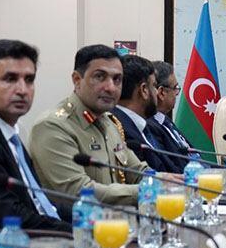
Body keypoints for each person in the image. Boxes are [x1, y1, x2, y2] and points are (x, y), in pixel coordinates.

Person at [29, 44, 149, 206]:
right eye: (100, 77)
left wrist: (170, 182)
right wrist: (151, 191)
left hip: (119, 219)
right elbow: (79, 190)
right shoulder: (52, 126)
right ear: (77, 80)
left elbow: (137, 172)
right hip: (79, 221)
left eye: (117, 79)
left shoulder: (109, 122)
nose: (110, 87)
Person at [0, 39, 70, 231]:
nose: (22, 90)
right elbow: (8, 213)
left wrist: (90, 215)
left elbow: (38, 201)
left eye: (29, 80)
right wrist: (74, 231)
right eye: (10, 79)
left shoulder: (13, 135)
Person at [112, 55, 180, 173]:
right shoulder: (122, 130)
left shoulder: (138, 125)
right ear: (144, 90)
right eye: (154, 85)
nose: (157, 92)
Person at [151, 60, 190, 171]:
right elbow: (171, 169)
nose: (177, 93)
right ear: (162, 92)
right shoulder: (151, 127)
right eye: (175, 88)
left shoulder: (165, 120)